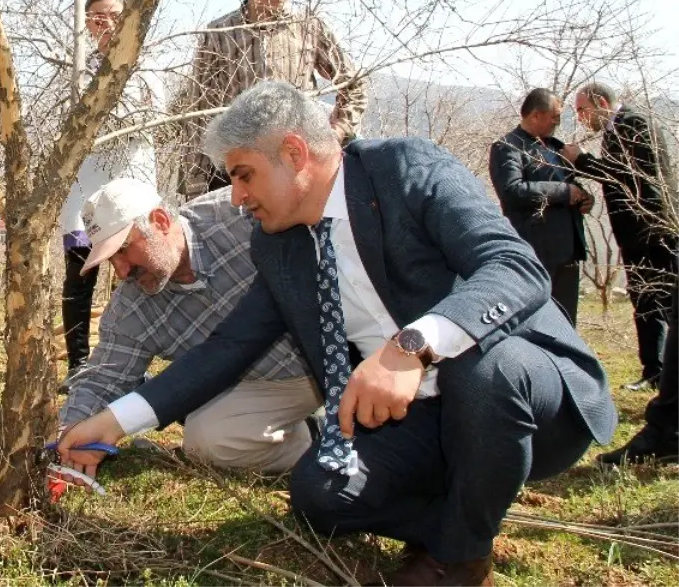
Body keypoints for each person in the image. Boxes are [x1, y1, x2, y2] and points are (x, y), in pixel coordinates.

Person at [60, 82, 615, 587]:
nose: (236, 197)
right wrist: (112, 421)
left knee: (485, 369)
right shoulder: (279, 246)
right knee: (320, 495)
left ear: (296, 154)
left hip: (532, 398)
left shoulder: (403, 169)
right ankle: (465, 506)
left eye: (244, 174)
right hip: (421, 423)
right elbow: (226, 351)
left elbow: (515, 268)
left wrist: (412, 347)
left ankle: (458, 559)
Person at [60, 178, 318, 473]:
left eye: (124, 249)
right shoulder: (130, 307)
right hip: (266, 386)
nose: (121, 271)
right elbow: (102, 379)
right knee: (206, 439)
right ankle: (318, 444)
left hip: (332, 354)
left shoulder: (239, 215)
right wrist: (72, 430)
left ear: (159, 221)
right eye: (110, 259)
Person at [174, 0, 366, 200]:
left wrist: (335, 135)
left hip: (296, 165)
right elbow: (198, 112)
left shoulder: (309, 26)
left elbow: (353, 85)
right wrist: (196, 185)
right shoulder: (219, 34)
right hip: (239, 170)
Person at [562, 83, 679, 465]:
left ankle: (659, 379)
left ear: (600, 103)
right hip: (642, 233)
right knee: (648, 303)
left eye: (581, 110)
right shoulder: (623, 126)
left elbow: (625, 177)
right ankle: (654, 370)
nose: (580, 118)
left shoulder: (632, 123)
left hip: (652, 233)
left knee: (655, 302)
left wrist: (582, 160)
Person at [58, 0, 161, 379]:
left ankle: (121, 361)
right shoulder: (75, 71)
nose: (106, 25)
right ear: (87, 23)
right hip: (84, 188)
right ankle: (79, 364)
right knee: (80, 270)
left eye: (114, 17)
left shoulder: (147, 66)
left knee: (130, 272)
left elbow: (154, 119)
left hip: (132, 183)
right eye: (98, 18)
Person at [488, 88, 592, 325]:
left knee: (566, 322)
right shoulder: (508, 147)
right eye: (554, 116)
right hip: (537, 249)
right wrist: (564, 193)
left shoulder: (556, 147)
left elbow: (571, 185)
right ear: (535, 115)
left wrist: (584, 198)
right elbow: (512, 191)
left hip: (568, 249)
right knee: (536, 321)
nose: (557, 122)